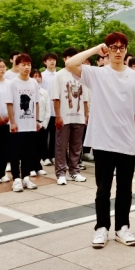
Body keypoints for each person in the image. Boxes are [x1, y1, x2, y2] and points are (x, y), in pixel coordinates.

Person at [65, 32, 135, 249]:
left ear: (126, 50)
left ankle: (122, 228)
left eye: (122, 47)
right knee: (103, 189)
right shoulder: (97, 74)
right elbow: (70, 64)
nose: (118, 51)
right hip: (103, 141)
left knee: (125, 189)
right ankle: (101, 227)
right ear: (107, 50)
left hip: (127, 141)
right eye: (113, 47)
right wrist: (95, 49)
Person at [53, 48, 89, 185]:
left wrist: (86, 114)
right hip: (64, 116)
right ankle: (61, 173)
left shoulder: (82, 75)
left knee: (76, 145)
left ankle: (74, 171)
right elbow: (56, 98)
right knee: (61, 146)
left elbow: (85, 98)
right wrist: (58, 116)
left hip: (79, 116)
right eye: (70, 57)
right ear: (64, 59)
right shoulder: (59, 75)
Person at [7, 54, 41, 193]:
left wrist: (37, 120)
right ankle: (16, 178)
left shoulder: (34, 83)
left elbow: (36, 103)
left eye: (28, 64)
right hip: (17, 125)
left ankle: (26, 177)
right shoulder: (13, 83)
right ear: (17, 66)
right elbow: (9, 104)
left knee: (28, 152)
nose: (26, 67)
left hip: (30, 124)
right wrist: (12, 122)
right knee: (15, 153)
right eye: (23, 64)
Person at [31, 70, 52, 177]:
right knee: (31, 147)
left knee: (41, 146)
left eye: (39, 76)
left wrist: (43, 124)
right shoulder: (28, 91)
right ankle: (30, 167)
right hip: (31, 124)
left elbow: (48, 110)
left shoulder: (44, 92)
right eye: (34, 76)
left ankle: (38, 167)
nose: (37, 78)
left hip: (42, 124)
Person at [40, 52, 58, 166]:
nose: (52, 62)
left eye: (54, 60)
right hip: (45, 111)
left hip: (56, 110)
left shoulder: (59, 75)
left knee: (55, 135)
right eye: (49, 60)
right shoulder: (42, 76)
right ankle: (44, 156)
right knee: (44, 135)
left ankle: (53, 155)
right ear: (45, 62)